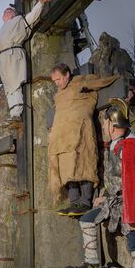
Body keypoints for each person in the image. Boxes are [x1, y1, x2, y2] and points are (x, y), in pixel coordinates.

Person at [69, 99, 135, 268]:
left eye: (105, 124)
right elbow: (116, 176)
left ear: (113, 125)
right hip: (115, 200)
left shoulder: (132, 147)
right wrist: (105, 194)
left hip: (131, 202)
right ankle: (92, 266)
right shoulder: (116, 145)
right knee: (87, 219)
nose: (104, 128)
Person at [49, 63, 118, 216]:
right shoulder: (59, 95)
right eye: (54, 81)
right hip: (62, 137)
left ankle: (85, 202)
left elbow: (101, 82)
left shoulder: (81, 83)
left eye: (59, 79)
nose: (57, 83)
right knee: (66, 169)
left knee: (83, 163)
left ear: (67, 75)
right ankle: (74, 202)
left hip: (80, 131)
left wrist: (119, 78)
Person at [0, 0, 46, 124]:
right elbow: (4, 42)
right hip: (4, 58)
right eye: (5, 11)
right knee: (9, 88)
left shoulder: (19, 21)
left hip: (13, 55)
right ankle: (13, 114)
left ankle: (17, 114)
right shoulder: (3, 28)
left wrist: (40, 3)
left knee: (14, 85)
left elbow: (33, 16)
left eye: (9, 10)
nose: (6, 11)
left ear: (14, 13)